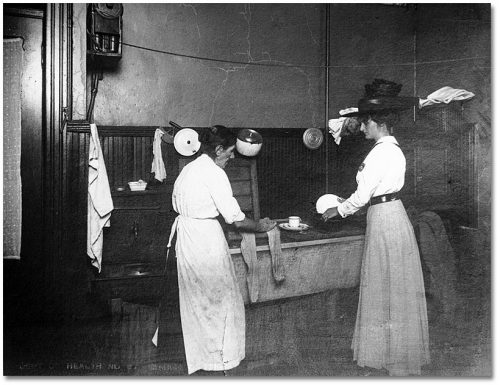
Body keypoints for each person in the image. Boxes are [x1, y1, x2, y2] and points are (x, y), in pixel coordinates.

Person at [322, 80, 430, 376]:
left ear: (378, 123)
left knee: (387, 282)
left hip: (386, 219)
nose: (363, 127)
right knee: (391, 283)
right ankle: (391, 354)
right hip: (388, 215)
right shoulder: (390, 150)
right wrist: (351, 203)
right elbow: (370, 192)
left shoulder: (381, 152)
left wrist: (338, 210)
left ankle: (393, 357)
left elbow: (362, 195)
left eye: (365, 122)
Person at [170, 124, 276, 375]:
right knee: (221, 300)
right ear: (218, 150)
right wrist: (260, 226)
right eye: (229, 152)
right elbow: (236, 219)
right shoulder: (214, 173)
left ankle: (200, 359)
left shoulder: (189, 169)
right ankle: (221, 360)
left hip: (186, 238)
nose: (231, 157)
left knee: (196, 301)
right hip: (204, 240)